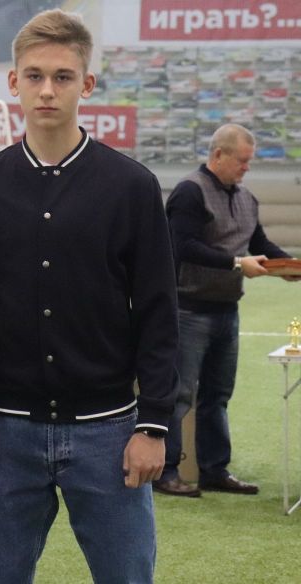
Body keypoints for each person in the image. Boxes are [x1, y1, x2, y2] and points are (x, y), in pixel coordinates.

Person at [0, 10, 178, 582]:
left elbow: (158, 311)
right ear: (14, 82)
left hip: (108, 429)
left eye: (62, 76)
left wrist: (154, 423)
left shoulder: (132, 186)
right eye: (34, 76)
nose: (47, 90)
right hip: (2, 430)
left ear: (88, 84)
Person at [156, 123, 300, 497]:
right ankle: (166, 471)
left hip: (226, 310)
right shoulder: (190, 192)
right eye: (242, 161)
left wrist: (288, 265)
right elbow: (183, 246)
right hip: (189, 310)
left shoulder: (246, 197)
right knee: (179, 394)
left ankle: (214, 470)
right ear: (218, 155)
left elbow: (259, 242)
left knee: (218, 395)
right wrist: (236, 263)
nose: (247, 168)